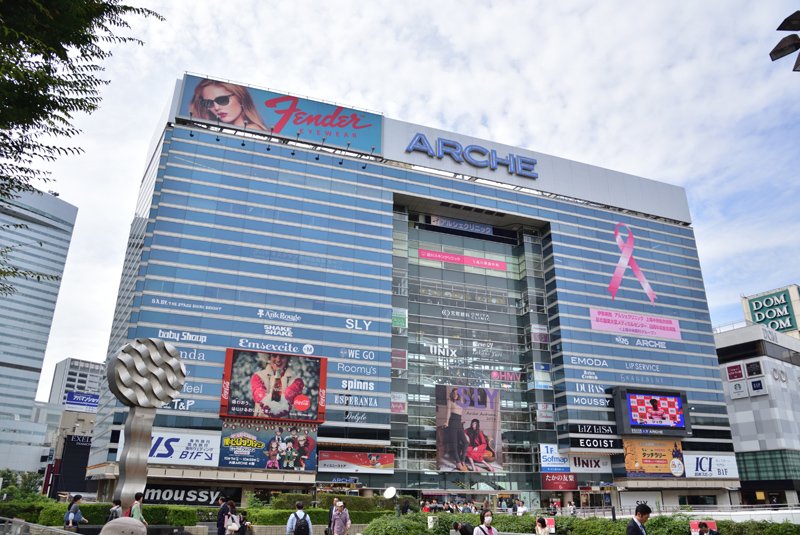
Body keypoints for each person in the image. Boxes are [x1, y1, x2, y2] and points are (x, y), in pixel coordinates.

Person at [189, 79, 268, 131]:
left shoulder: (250, 130)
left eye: (222, 100)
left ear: (240, 97)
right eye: (209, 103)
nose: (216, 108)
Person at [251, 353, 305, 418]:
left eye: (282, 356)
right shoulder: (258, 376)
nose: (278, 359)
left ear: (288, 358)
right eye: (274, 355)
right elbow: (258, 393)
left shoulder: (296, 381)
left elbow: (289, 395)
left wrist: (281, 406)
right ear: (269, 357)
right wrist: (266, 403)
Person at [442, 387, 469, 471]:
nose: (455, 395)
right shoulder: (450, 401)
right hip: (452, 422)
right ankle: (458, 463)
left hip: (459, 422)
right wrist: (446, 422)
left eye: (456, 393)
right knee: (454, 444)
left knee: (465, 442)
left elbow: (460, 413)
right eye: (453, 393)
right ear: (452, 394)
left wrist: (462, 421)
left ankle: (462, 460)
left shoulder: (461, 402)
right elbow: (448, 413)